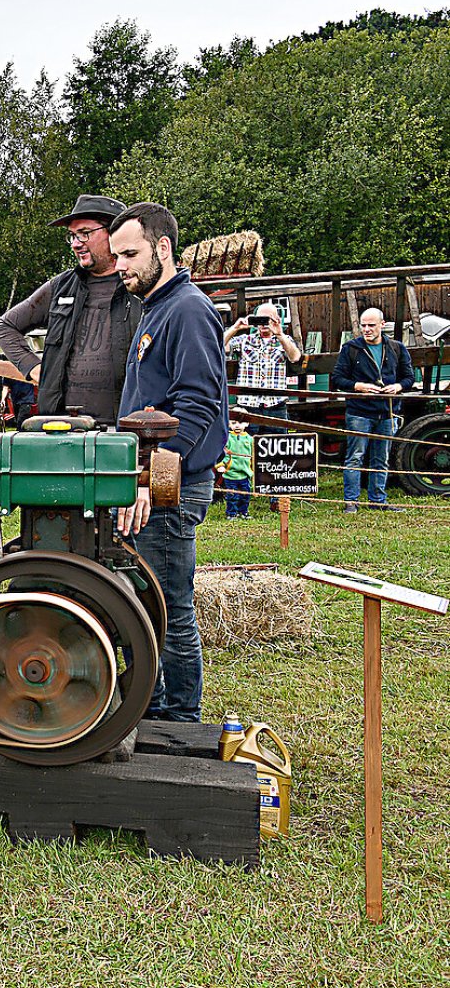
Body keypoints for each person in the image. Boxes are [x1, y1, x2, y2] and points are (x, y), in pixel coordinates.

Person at [108, 202, 227, 724]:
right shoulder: (156, 309)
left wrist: (153, 481)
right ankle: (152, 712)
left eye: (130, 254)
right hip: (150, 483)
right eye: (116, 257)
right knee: (147, 609)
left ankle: (179, 726)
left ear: (163, 249)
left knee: (170, 609)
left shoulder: (188, 311)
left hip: (168, 490)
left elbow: (199, 405)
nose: (121, 267)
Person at [0, 194, 142, 426]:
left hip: (126, 428)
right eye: (72, 236)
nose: (76, 243)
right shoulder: (60, 287)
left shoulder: (141, 286)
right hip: (62, 428)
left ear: (114, 233)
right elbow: (4, 327)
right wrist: (34, 368)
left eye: (85, 234)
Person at [331, 307, 415, 512]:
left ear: (382, 325)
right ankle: (351, 502)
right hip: (359, 412)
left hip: (387, 412)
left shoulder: (396, 347)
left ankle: (378, 500)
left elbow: (409, 377)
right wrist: (357, 386)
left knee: (381, 459)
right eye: (363, 326)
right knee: (355, 457)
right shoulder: (351, 348)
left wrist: (398, 387)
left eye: (371, 325)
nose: (366, 329)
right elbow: (337, 378)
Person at [224, 302, 302, 432]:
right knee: (248, 449)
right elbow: (219, 344)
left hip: (276, 406)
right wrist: (235, 328)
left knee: (278, 449)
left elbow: (295, 357)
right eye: (260, 319)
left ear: (276, 320)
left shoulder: (284, 340)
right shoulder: (245, 340)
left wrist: (280, 334)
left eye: (267, 319)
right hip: (248, 406)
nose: (264, 324)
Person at [218, 419, 252, 518]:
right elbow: (219, 453)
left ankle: (243, 512)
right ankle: (231, 513)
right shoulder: (227, 438)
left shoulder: (250, 439)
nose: (237, 426)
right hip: (231, 474)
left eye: (240, 423)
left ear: (247, 423)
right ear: (229, 424)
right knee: (232, 496)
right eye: (233, 423)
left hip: (245, 473)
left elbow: (254, 454)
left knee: (245, 495)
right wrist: (221, 465)